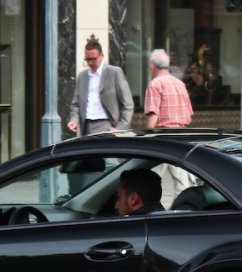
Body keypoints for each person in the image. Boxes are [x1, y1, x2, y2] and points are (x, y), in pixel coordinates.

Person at [144, 48, 196, 204]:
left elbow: (153, 114)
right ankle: (186, 209)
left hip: (161, 137)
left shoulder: (155, 84)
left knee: (149, 179)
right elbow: (188, 115)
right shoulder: (180, 84)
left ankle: (149, 211)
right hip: (180, 136)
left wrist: (146, 136)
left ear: (152, 66)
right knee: (181, 181)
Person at [67, 39, 134, 136]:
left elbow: (127, 104)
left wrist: (120, 128)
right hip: (86, 126)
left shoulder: (114, 73)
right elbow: (76, 104)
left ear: (102, 55)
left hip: (107, 125)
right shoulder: (82, 76)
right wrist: (74, 120)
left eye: (94, 59)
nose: (90, 63)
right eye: (87, 59)